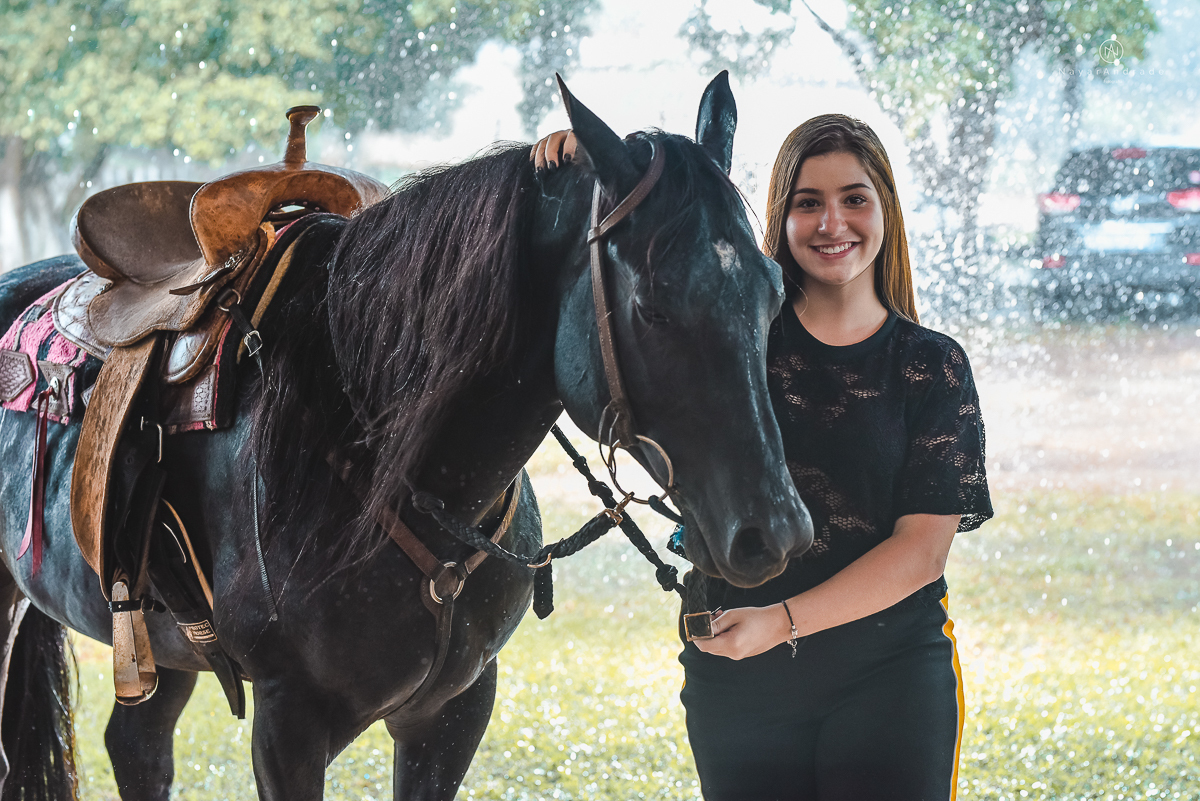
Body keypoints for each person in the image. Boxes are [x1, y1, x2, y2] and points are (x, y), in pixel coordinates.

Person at [533, 114, 992, 800]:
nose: (832, 223)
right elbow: (649, 232)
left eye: (854, 198)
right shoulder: (732, 341)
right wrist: (585, 162)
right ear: (783, 215)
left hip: (892, 675)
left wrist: (782, 623)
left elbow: (920, 553)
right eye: (809, 202)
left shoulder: (933, 366)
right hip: (737, 678)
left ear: (886, 210)